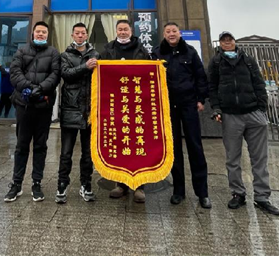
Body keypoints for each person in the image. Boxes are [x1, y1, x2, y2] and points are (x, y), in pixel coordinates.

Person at [209, 31, 279, 216]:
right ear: (220, 44)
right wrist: (217, 109)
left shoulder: (248, 60)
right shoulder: (216, 62)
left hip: (253, 113)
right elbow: (212, 87)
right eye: (224, 41)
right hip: (230, 115)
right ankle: (238, 193)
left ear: (234, 42)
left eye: (230, 40)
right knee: (232, 158)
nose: (227, 43)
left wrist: (262, 108)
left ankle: (262, 196)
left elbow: (259, 83)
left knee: (259, 158)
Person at [152, 22, 211, 209]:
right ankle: (178, 191)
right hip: (168, 107)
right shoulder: (156, 53)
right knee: (174, 148)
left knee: (195, 147)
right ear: (164, 34)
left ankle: (202, 193)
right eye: (168, 31)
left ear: (179, 33)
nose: (171, 34)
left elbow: (200, 77)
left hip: (189, 104)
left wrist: (201, 99)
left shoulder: (190, 52)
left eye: (174, 31)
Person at [4, 21, 61, 203]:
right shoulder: (21, 51)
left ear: (47, 34)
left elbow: (55, 75)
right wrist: (28, 87)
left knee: (40, 146)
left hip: (43, 106)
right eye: (38, 31)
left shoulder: (53, 53)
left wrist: (41, 89)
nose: (41, 34)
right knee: (21, 145)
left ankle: (37, 183)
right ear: (33, 33)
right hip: (24, 105)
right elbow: (15, 73)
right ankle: (16, 184)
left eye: (44, 32)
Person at [101, 18, 150, 203]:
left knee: (138, 143)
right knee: (120, 143)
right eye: (120, 29)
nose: (122, 32)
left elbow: (149, 74)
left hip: (137, 104)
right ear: (116, 31)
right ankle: (121, 184)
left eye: (125, 29)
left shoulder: (142, 50)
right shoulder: (108, 50)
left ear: (131, 31)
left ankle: (139, 186)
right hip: (116, 104)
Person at [56, 22, 99, 204]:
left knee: (88, 153)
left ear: (87, 35)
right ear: (72, 35)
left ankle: (86, 185)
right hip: (70, 108)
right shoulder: (65, 55)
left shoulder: (96, 54)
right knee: (66, 152)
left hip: (90, 109)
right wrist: (85, 67)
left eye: (83, 33)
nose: (80, 36)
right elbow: (65, 74)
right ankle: (62, 185)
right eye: (77, 33)